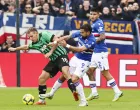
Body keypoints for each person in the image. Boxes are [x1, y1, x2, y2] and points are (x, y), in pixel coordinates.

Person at [8, 27, 78, 105]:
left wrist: (51, 52)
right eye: (29, 37)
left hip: (61, 55)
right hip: (53, 60)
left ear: (36, 33)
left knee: (65, 72)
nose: (30, 38)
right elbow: (26, 46)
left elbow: (56, 41)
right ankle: (42, 101)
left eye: (31, 36)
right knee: (41, 78)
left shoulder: (45, 34)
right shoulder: (35, 44)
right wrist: (15, 49)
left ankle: (74, 91)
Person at [44, 24, 96, 106]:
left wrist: (66, 45)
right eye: (80, 32)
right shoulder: (80, 32)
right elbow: (66, 37)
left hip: (84, 62)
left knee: (74, 79)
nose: (80, 33)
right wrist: (55, 42)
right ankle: (51, 93)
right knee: (64, 75)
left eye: (82, 32)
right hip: (76, 59)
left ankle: (84, 101)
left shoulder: (92, 40)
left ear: (88, 32)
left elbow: (80, 49)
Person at [86, 7, 123, 102]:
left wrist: (92, 43)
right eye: (91, 14)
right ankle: (94, 92)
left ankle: (117, 91)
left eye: (94, 14)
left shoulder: (98, 23)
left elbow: (102, 36)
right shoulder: (93, 23)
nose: (92, 16)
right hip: (96, 52)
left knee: (105, 73)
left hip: (100, 52)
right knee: (89, 71)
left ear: (98, 15)